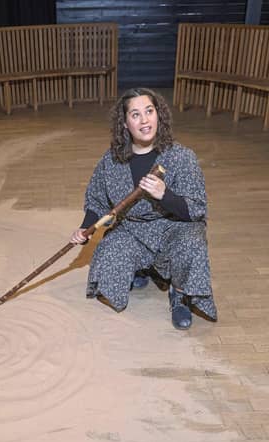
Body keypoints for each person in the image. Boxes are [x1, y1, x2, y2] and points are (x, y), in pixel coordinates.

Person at [70, 88, 217, 329]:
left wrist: (164, 195)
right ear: (125, 124)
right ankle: (142, 269)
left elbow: (196, 210)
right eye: (135, 115)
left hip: (174, 227)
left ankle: (179, 294)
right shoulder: (112, 160)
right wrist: (85, 228)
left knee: (193, 243)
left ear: (158, 115)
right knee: (109, 253)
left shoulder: (182, 157)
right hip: (133, 228)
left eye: (149, 111)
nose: (145, 120)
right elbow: (96, 199)